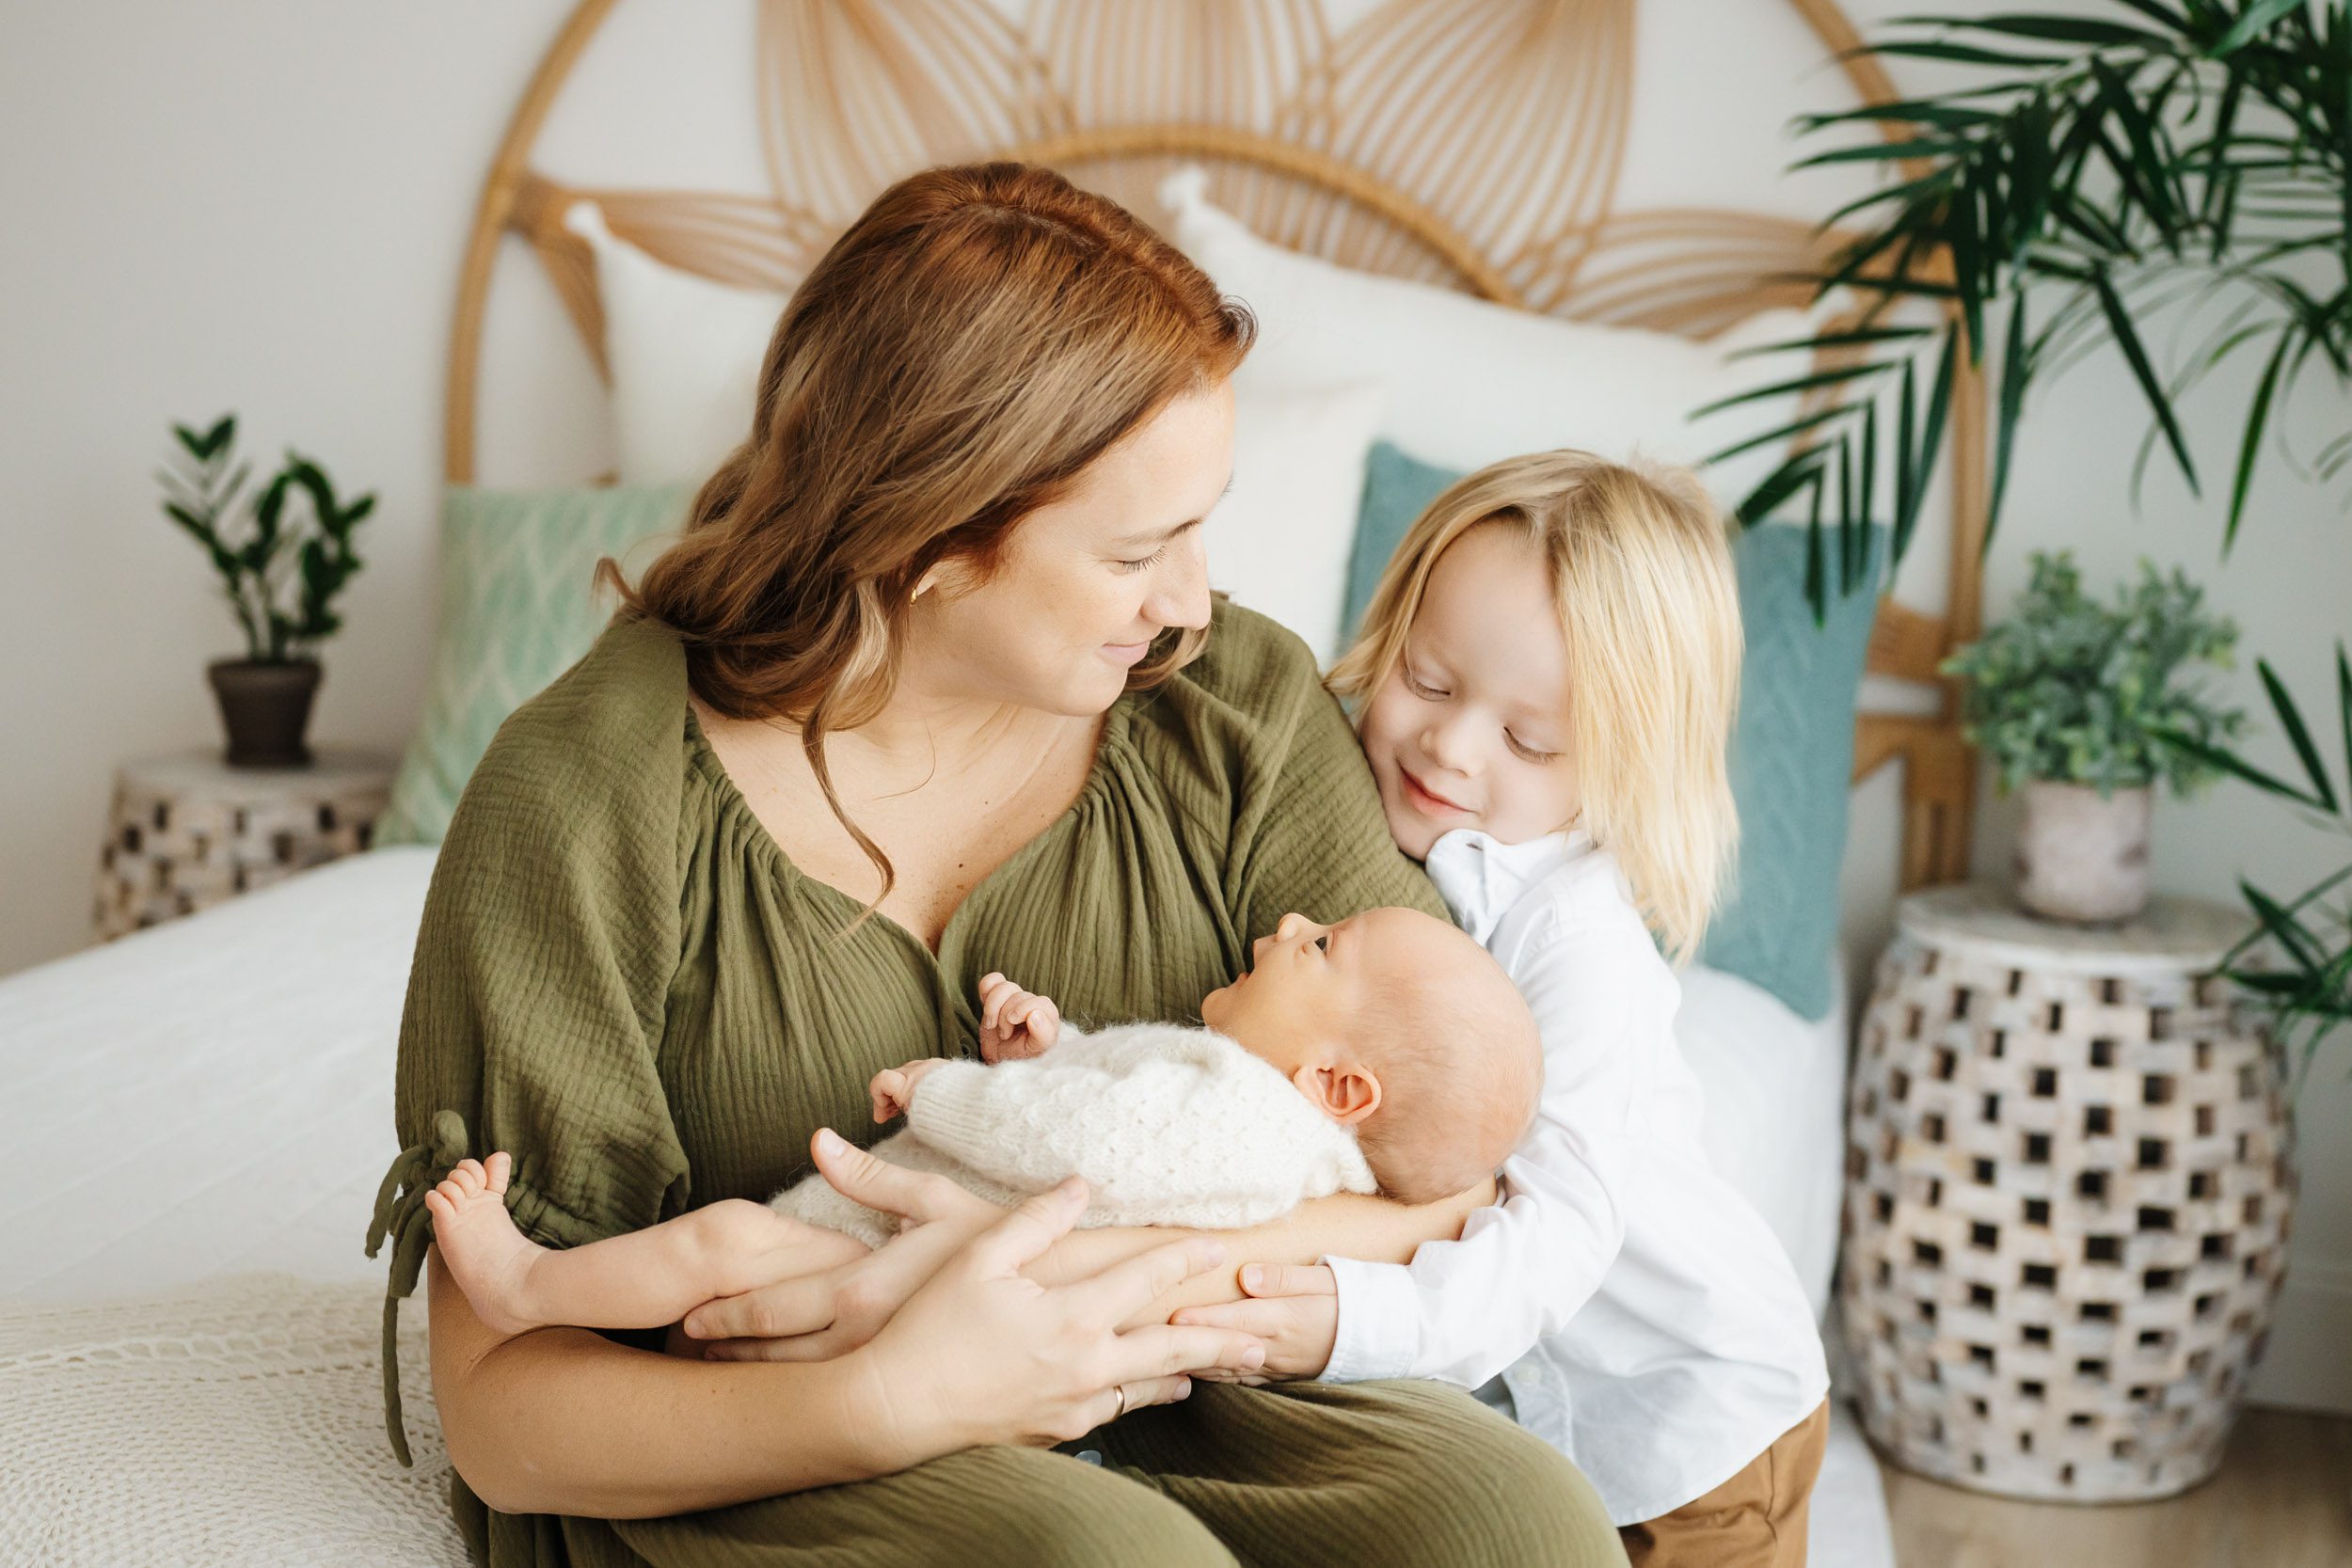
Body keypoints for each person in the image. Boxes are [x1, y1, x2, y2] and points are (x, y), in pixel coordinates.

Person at [363, 163, 1625, 1567]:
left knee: (1524, 1522)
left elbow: (1443, 1177)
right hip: (756, 1431)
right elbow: (501, 1409)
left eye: (1201, 526)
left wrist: (1045, 1280)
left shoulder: (1234, 705)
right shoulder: (589, 797)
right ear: (926, 533)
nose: (1192, 597)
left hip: (1163, 1373)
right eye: (1136, 548)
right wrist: (889, 1390)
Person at [1181, 451, 1831, 1568]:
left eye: (1529, 740)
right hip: (1563, 1409)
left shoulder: (1578, 947)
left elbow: (1554, 1238)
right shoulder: (1359, 812)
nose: (1451, 745)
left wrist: (1354, 1319)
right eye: (1428, 680)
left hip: (1699, 1424)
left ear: (1621, 768)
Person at [419, 904, 1540, 1328]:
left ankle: (527, 1289)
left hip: (894, 1265)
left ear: (1341, 1087)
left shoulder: (1258, 1121)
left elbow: (1083, 1148)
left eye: (1324, 946)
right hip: (919, 1264)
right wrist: (1052, 1050)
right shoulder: (1251, 1103)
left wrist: (948, 1089)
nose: (1293, 918)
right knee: (726, 1252)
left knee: (727, 1240)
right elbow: (1119, 1108)